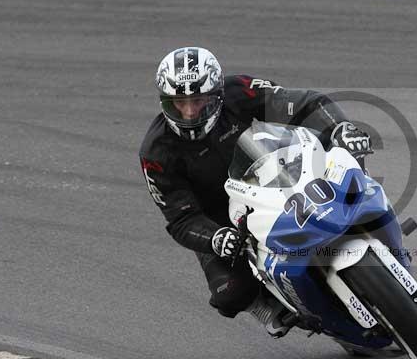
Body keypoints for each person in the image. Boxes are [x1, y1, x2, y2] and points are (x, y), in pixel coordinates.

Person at [139, 47, 371, 337]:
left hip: (274, 177)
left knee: (346, 165)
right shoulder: (156, 153)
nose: (189, 112)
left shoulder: (239, 92)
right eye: (179, 104)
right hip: (222, 218)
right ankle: (267, 306)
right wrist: (214, 237)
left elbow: (304, 103)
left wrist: (339, 128)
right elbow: (180, 219)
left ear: (217, 94)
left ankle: (373, 224)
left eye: (197, 101)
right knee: (230, 293)